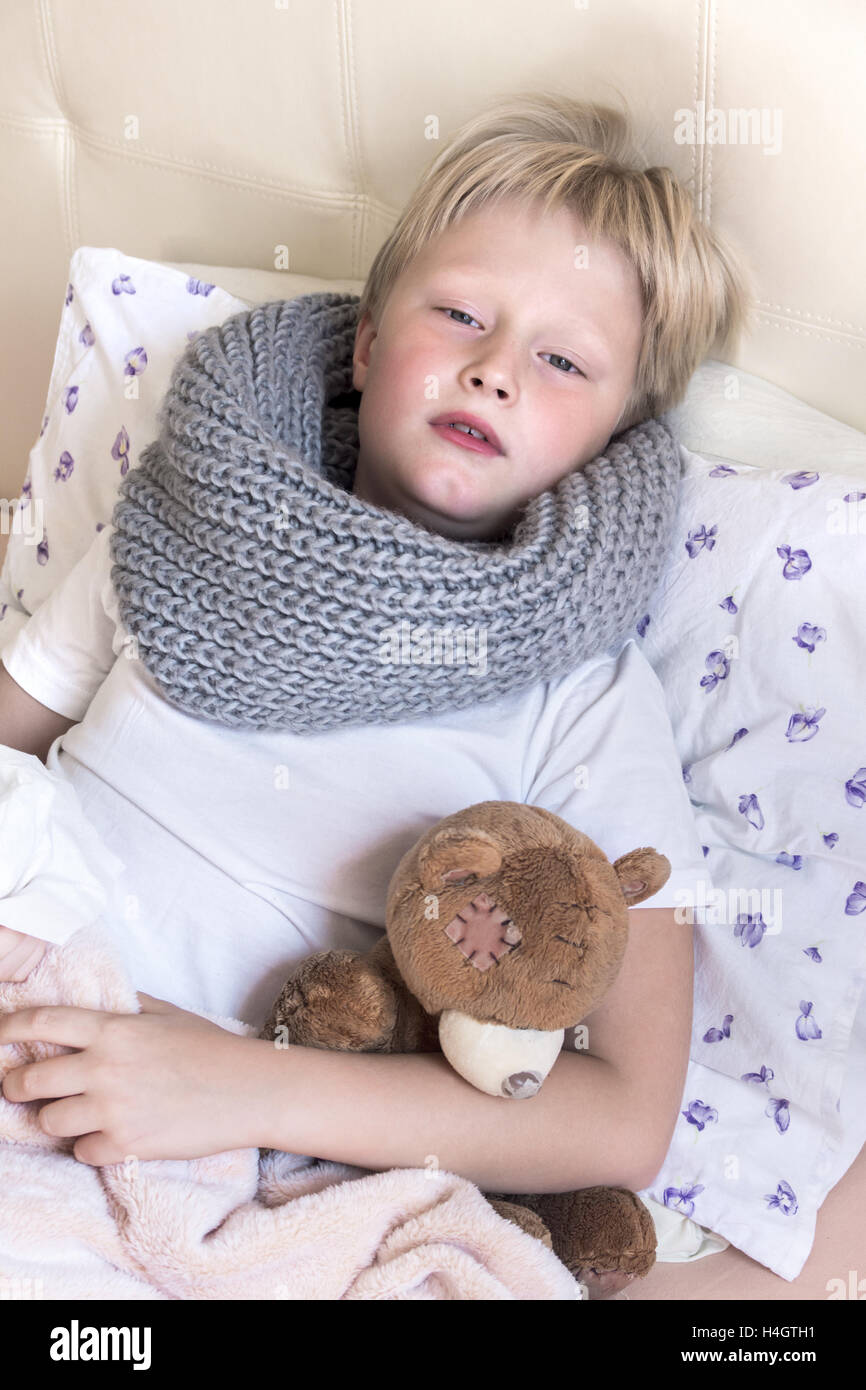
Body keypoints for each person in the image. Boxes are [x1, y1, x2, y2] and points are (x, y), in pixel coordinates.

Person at [0, 93, 750, 1205]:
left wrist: (240, 1087)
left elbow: (622, 1117)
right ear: (362, 343)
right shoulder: (181, 529)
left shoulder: (582, 696)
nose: (494, 368)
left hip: (214, 1128)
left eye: (560, 361)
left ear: (609, 440)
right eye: (458, 314)